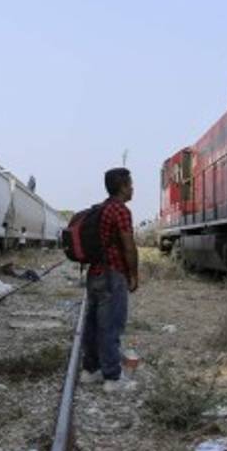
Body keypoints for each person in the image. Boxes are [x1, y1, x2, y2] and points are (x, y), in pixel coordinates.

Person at [80, 168, 140, 393]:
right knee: (111, 326)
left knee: (93, 324)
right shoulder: (120, 210)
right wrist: (133, 274)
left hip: (94, 273)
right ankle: (113, 378)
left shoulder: (99, 209)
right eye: (130, 184)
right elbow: (128, 246)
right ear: (122, 186)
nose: (133, 188)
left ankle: (90, 370)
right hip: (113, 274)